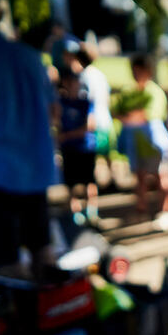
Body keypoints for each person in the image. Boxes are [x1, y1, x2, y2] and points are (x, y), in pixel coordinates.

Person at [0, 0, 56, 277]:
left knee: (5, 262)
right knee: (43, 252)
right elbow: (53, 110)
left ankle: (21, 316)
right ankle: (54, 311)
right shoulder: (28, 55)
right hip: (33, 170)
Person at [116, 54, 168, 229]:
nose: (136, 75)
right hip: (137, 145)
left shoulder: (155, 92)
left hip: (155, 144)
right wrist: (132, 117)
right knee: (140, 178)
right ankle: (141, 211)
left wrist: (131, 117)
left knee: (162, 177)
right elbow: (118, 113)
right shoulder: (129, 92)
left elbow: (146, 116)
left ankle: (166, 212)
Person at [56, 67, 99, 226]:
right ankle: (74, 213)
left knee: (89, 180)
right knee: (71, 182)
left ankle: (92, 212)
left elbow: (89, 126)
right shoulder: (60, 102)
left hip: (85, 147)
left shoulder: (86, 102)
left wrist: (66, 136)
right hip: (69, 149)